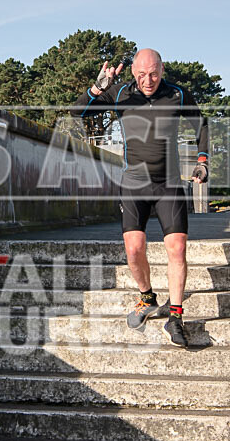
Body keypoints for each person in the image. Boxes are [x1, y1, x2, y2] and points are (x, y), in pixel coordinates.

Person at [71, 49, 209, 348]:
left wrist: (202, 160)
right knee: (134, 249)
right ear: (133, 72)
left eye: (155, 74)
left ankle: (175, 316)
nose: (149, 80)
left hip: (169, 183)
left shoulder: (177, 94)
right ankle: (146, 297)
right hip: (134, 183)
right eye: (142, 74)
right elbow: (77, 112)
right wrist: (97, 89)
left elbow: (201, 125)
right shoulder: (119, 92)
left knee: (177, 246)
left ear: (162, 69)